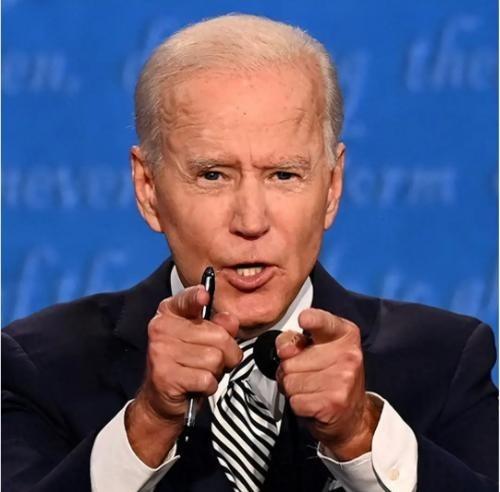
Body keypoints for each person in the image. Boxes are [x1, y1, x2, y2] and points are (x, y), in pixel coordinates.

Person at [2, 14, 497, 492]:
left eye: (284, 175)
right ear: (148, 188)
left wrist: (362, 438)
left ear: (331, 187)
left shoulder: (446, 362)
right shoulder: (39, 366)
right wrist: (147, 425)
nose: (251, 221)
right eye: (213, 175)